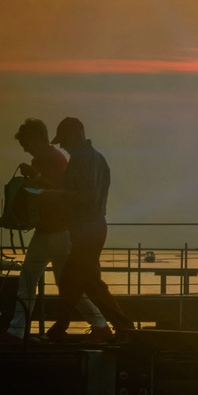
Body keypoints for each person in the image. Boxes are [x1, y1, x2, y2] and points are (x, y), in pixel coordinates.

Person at [6, 118, 111, 345]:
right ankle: (16, 332)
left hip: (60, 232)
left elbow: (65, 195)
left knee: (69, 286)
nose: (25, 149)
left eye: (26, 143)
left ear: (35, 139)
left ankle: (101, 325)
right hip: (44, 231)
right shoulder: (41, 160)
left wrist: (35, 180)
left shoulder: (58, 160)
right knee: (29, 280)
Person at [43, 116, 135, 344]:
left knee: (82, 281)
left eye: (64, 139)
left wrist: (59, 196)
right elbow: (76, 192)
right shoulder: (82, 159)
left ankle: (124, 327)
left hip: (89, 227)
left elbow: (90, 197)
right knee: (77, 280)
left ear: (77, 135)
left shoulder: (89, 160)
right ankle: (62, 330)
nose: (62, 145)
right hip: (84, 228)